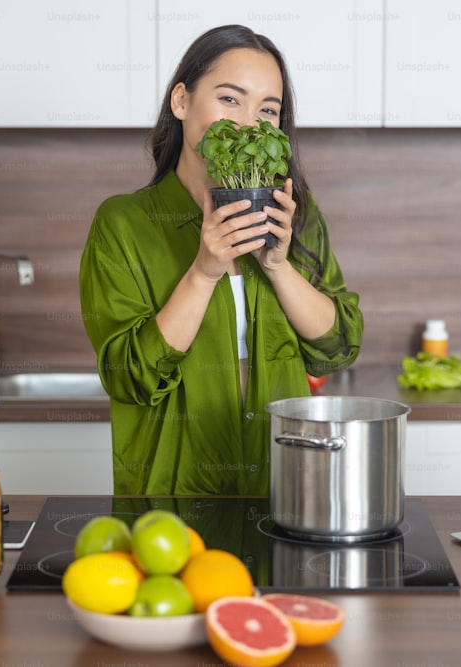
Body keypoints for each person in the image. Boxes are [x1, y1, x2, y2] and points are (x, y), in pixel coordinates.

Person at [79, 24, 363, 495]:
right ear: (182, 101)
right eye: (230, 99)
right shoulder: (123, 223)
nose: (248, 122)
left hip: (285, 489)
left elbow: (338, 346)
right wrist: (204, 270)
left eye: (266, 109)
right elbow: (128, 377)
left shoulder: (297, 220)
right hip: (174, 500)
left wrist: (277, 266)